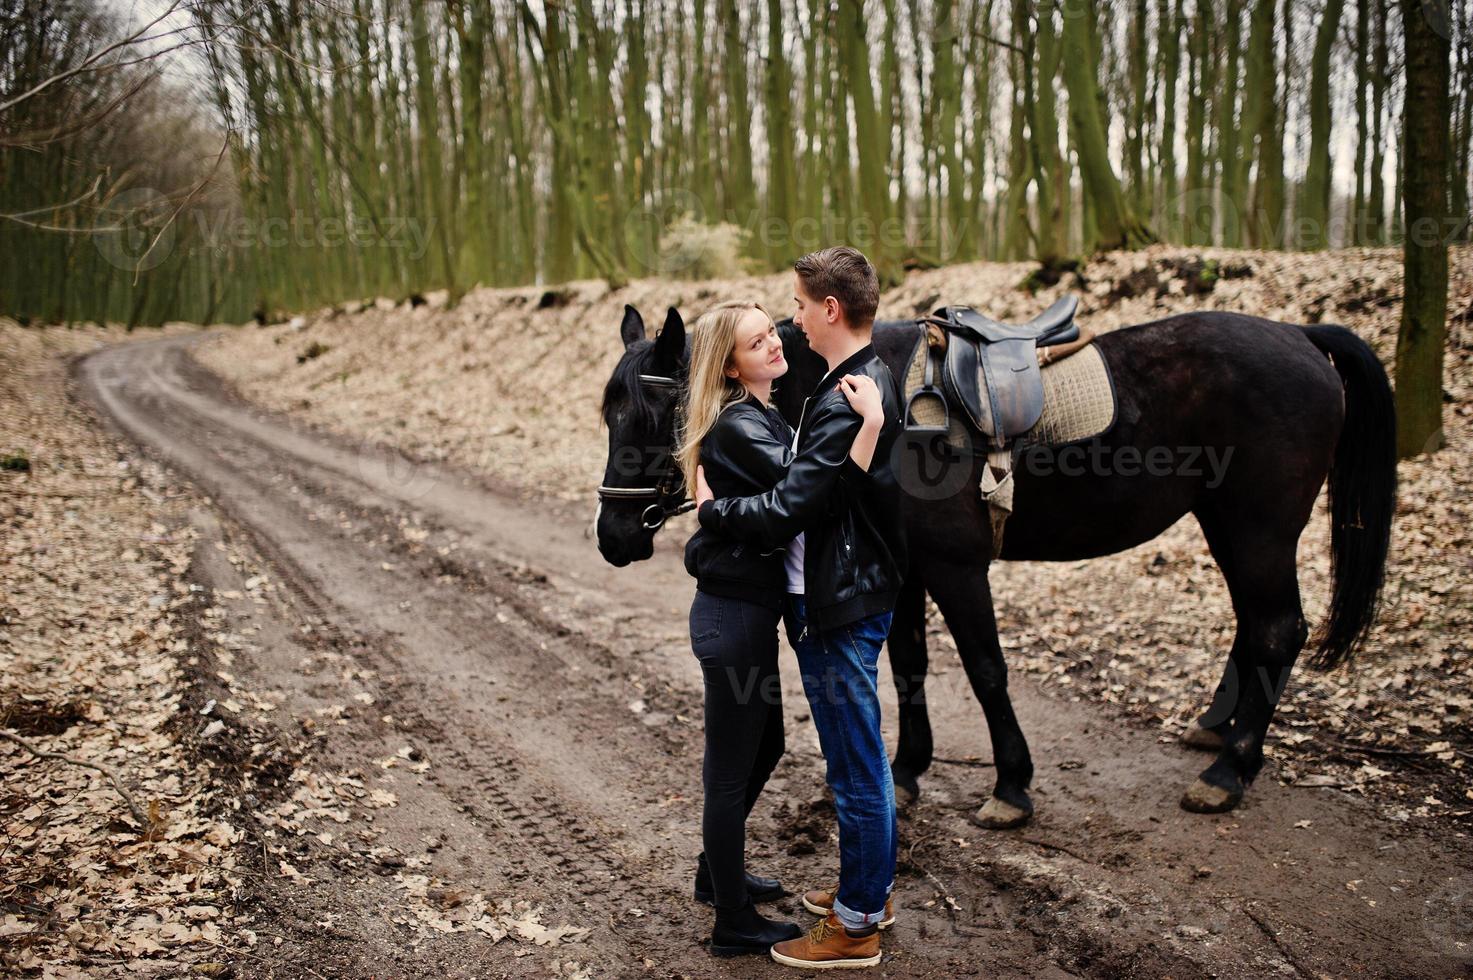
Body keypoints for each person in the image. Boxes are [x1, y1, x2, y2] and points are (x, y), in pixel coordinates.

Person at [694, 247, 906, 970]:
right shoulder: (853, 386)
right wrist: (871, 434)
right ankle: (864, 893)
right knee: (857, 760)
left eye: (793, 306)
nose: (788, 321)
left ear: (829, 309)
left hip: (837, 603)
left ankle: (854, 926)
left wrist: (714, 511)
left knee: (853, 767)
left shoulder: (850, 391)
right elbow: (839, 490)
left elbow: (792, 504)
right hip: (847, 593)